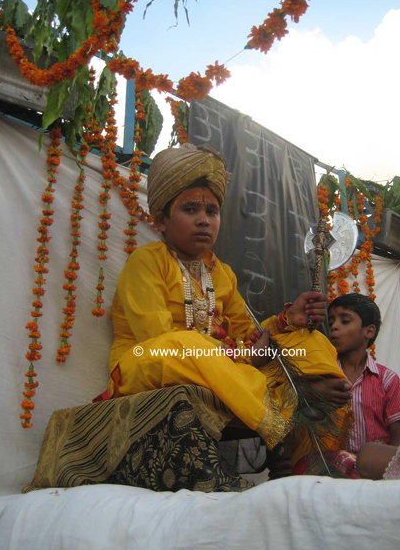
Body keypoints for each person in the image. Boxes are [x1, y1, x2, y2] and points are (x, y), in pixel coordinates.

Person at [104, 143, 352, 472]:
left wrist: (284, 321)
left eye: (212, 212)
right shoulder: (146, 261)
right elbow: (158, 337)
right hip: (145, 362)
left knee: (312, 341)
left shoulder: (220, 272)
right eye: (190, 210)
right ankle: (288, 404)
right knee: (185, 343)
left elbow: (245, 333)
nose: (204, 221)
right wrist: (243, 355)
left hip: (217, 362)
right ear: (161, 221)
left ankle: (311, 460)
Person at [328, 293, 400, 451]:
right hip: (330, 471)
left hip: (375, 472)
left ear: (369, 331)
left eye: (345, 321)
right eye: (331, 322)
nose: (334, 326)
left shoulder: (387, 380)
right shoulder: (323, 375)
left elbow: (398, 440)